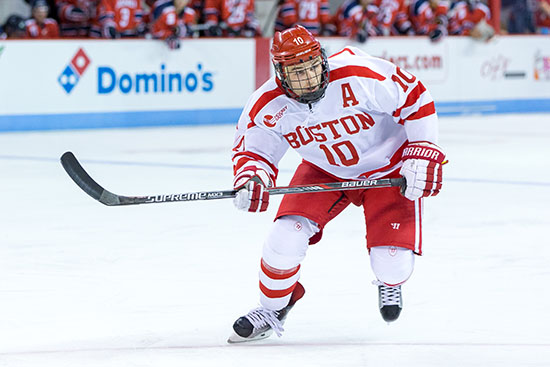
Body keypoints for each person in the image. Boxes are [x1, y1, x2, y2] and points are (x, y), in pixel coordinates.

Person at [227, 25, 445, 343]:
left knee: (392, 267)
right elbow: (254, 151)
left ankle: (389, 281)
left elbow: (414, 96)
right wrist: (252, 179)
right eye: (297, 72)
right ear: (280, 74)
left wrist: (423, 148)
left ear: (323, 60)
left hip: (389, 169)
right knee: (284, 238)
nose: (310, 78)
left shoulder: (358, 73)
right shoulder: (268, 104)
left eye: (313, 66)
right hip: (324, 171)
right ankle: (272, 309)